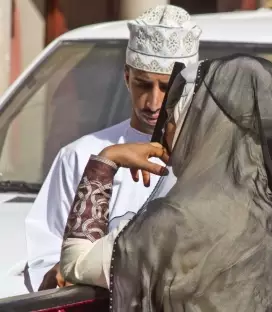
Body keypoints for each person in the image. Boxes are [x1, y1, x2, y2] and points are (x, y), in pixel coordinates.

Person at [59, 54, 272, 311]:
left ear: (201, 127)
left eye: (172, 119)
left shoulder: (175, 221)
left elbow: (76, 263)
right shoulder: (270, 210)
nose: (166, 131)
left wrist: (106, 161)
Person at [24, 4, 202, 292]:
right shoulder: (81, 155)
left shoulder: (208, 157)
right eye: (143, 85)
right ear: (126, 77)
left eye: (166, 88)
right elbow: (44, 257)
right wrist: (62, 272)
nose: (153, 102)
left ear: (187, 87)